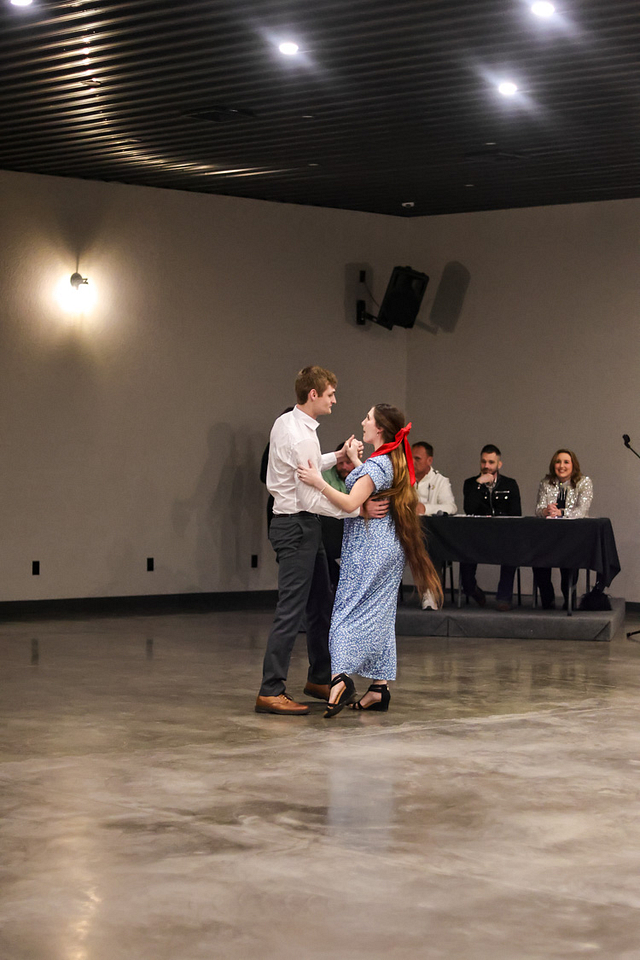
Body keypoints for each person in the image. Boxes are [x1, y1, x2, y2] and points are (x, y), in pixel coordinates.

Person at [297, 404, 443, 717]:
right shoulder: (391, 460)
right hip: (388, 546)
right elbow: (372, 479)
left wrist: (317, 480)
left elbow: (351, 501)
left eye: (368, 418)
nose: (363, 422)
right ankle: (379, 688)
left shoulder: (378, 464)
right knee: (380, 615)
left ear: (379, 429)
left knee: (344, 613)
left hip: (369, 548)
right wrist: (353, 460)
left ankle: (339, 678)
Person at [256, 366, 386, 716]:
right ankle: (270, 690)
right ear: (313, 394)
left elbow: (308, 467)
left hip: (301, 526)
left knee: (320, 604)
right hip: (297, 525)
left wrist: (338, 457)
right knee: (292, 610)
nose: (334, 400)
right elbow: (309, 497)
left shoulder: (288, 423)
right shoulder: (302, 436)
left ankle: (319, 677)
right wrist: (355, 509)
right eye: (330, 394)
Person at [461, 444, 521, 611]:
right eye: (483, 462)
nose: (486, 466)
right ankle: (472, 590)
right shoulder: (471, 484)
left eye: (491, 462)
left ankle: (504, 597)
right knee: (463, 551)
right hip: (477, 535)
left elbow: (516, 514)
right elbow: (469, 509)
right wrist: (479, 485)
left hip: (503, 534)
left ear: (499, 464)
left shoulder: (510, 484)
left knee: (512, 549)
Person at [533, 449, 594, 609]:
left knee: (568, 561)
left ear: (573, 465)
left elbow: (582, 511)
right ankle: (547, 598)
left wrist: (562, 512)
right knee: (537, 558)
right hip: (548, 536)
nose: (561, 466)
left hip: (573, 536)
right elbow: (538, 509)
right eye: (558, 462)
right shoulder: (546, 483)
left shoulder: (584, 482)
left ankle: (569, 598)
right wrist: (546, 511)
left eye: (566, 462)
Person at [320, 444, 357, 591]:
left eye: (348, 462)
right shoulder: (326, 474)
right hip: (331, 526)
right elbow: (332, 503)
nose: (344, 467)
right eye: (340, 463)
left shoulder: (361, 475)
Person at [412, 442, 457, 516]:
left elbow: (451, 508)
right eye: (409, 458)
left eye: (417, 459)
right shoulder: (402, 479)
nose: (412, 462)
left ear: (429, 460)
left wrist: (425, 509)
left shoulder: (440, 481)